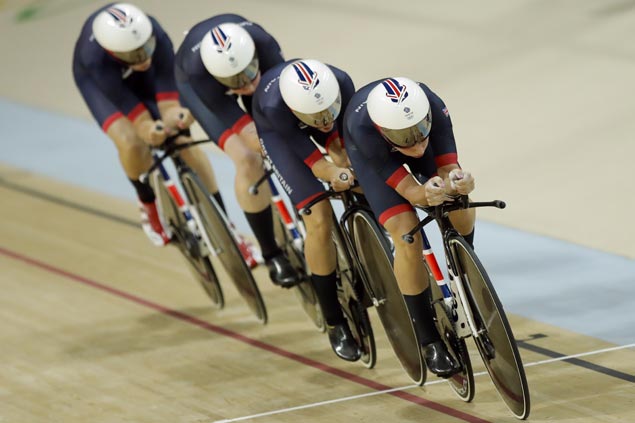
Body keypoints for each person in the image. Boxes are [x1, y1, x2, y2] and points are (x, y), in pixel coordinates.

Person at [343, 77, 475, 377]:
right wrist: (425, 193)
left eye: (420, 132)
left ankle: (467, 272)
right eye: (405, 138)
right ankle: (428, 339)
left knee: (459, 198)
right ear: (385, 131)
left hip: (404, 127)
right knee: (407, 234)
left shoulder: (432, 106)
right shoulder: (364, 130)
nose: (416, 144)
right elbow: (412, 192)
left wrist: (459, 181)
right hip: (372, 156)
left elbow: (448, 168)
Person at [72, 3, 227, 251]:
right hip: (100, 85)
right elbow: (135, 114)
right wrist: (147, 128)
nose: (143, 58)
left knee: (183, 141)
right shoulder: (95, 59)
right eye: (134, 55)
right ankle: (148, 203)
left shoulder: (154, 32)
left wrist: (177, 116)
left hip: (146, 76)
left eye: (146, 49)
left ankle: (225, 227)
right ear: (113, 51)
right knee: (132, 143)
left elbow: (168, 97)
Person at [174, 15, 300, 287]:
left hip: (241, 65)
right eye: (237, 81)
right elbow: (250, 135)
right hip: (203, 90)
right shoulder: (199, 72)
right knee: (248, 158)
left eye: (249, 73)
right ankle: (272, 254)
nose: (248, 85)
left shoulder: (263, 44)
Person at [252, 58, 361, 361]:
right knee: (319, 217)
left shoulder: (341, 80)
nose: (325, 120)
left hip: (315, 106)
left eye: (329, 111)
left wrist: (348, 166)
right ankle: (334, 319)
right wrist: (333, 173)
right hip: (279, 135)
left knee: (354, 166)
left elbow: (343, 139)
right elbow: (317, 164)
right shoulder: (276, 107)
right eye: (317, 116)